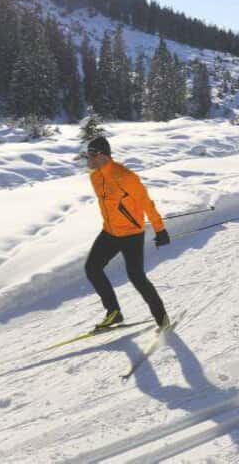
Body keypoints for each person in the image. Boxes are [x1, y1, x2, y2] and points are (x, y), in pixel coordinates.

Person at [84, 136, 171, 331]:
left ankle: (161, 317)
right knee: (92, 268)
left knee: (136, 276)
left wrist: (160, 229)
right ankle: (113, 312)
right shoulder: (95, 177)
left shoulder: (126, 176)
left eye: (90, 155)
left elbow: (146, 203)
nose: (87, 160)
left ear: (102, 156)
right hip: (109, 232)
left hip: (132, 234)